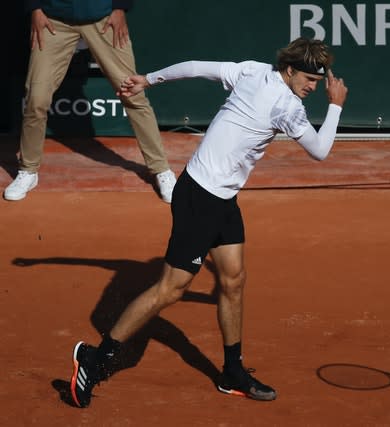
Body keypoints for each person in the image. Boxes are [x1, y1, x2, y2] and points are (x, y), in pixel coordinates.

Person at [68, 37, 348, 407]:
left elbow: (197, 67)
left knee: (232, 279)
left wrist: (148, 79)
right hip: (202, 198)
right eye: (309, 81)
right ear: (291, 69)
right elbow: (320, 150)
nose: (312, 88)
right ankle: (95, 357)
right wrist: (335, 106)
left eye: (317, 83)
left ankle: (232, 371)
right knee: (171, 288)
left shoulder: (252, 71)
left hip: (219, 197)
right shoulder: (287, 107)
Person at [4, 0, 176, 203]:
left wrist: (119, 7)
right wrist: (35, 8)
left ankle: (160, 169)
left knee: (132, 93)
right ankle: (28, 171)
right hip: (53, 20)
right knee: (36, 98)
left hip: (103, 18)